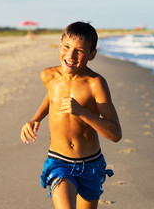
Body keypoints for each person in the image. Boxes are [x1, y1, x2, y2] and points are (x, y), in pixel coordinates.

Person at [21, 21, 122, 209]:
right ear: (60, 45)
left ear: (92, 54)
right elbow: (51, 97)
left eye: (80, 51)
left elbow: (115, 134)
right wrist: (35, 119)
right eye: (66, 47)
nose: (70, 55)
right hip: (59, 161)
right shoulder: (48, 76)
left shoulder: (96, 84)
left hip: (91, 165)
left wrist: (83, 112)